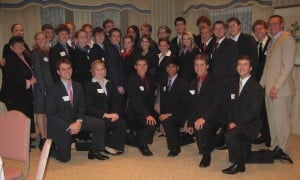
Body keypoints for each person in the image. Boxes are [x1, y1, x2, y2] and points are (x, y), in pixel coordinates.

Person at [46, 59, 108, 162]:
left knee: (99, 123)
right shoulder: (53, 90)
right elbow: (51, 114)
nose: (67, 71)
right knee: (65, 158)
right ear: (58, 72)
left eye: (69, 68)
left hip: (76, 120)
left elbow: (82, 106)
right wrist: (69, 126)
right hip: (61, 124)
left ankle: (94, 151)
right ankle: (49, 149)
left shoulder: (78, 86)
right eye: (63, 69)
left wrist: (79, 122)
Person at [260, 15, 296, 162]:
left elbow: (287, 66)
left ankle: (282, 149)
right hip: (270, 89)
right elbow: (267, 68)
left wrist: (276, 87)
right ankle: (274, 147)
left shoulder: (287, 39)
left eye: (275, 24)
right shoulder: (273, 41)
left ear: (282, 24)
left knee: (282, 122)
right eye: (270, 24)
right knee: (273, 121)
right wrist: (259, 86)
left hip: (280, 90)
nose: (272, 26)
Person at [186, 54, 222, 168]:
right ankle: (218, 139)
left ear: (207, 66)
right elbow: (191, 106)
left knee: (202, 134)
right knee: (199, 138)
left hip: (214, 116)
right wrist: (191, 123)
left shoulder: (215, 81)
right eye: (196, 65)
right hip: (199, 116)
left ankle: (207, 156)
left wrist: (203, 119)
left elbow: (215, 105)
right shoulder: (192, 83)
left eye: (202, 65)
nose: (199, 68)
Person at [85, 60, 126, 155]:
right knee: (114, 125)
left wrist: (115, 113)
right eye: (97, 69)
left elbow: (114, 102)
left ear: (105, 70)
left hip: (109, 115)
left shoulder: (109, 83)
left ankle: (111, 146)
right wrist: (105, 115)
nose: (100, 72)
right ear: (92, 71)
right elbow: (88, 106)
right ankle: (107, 145)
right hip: (96, 116)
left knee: (121, 122)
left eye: (102, 69)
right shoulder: (89, 85)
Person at [0, 36, 36, 133]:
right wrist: (29, 82)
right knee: (19, 122)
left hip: (23, 94)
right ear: (11, 47)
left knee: (25, 120)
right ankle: (20, 145)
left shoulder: (23, 56)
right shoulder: (10, 59)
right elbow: (12, 78)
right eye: (17, 45)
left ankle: (25, 142)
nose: (20, 47)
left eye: (22, 44)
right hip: (15, 96)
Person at [126, 58, 157, 156]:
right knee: (151, 123)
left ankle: (135, 138)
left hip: (146, 110)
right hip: (135, 113)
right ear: (135, 67)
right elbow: (136, 102)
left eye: (144, 65)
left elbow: (151, 98)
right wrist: (147, 115)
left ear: (147, 67)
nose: (142, 67)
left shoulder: (150, 79)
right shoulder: (132, 80)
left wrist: (155, 112)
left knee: (159, 119)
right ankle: (142, 145)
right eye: (139, 65)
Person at [159, 58, 189, 156]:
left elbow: (184, 104)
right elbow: (163, 102)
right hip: (169, 113)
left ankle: (175, 147)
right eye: (168, 66)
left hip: (180, 113)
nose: (170, 69)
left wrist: (168, 115)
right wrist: (161, 119)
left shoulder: (184, 83)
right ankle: (186, 138)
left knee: (168, 121)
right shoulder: (164, 82)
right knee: (165, 120)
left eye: (173, 66)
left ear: (177, 68)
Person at [31, 32, 54, 150]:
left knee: (46, 113)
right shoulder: (36, 53)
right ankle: (43, 137)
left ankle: (47, 136)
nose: (41, 40)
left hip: (49, 88)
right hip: (41, 88)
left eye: (43, 38)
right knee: (40, 113)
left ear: (46, 39)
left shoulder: (46, 52)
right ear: (35, 40)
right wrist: (43, 89)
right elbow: (38, 73)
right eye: (38, 38)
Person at [252, 19, 272, 146]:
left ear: (266, 29)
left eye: (261, 28)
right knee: (261, 111)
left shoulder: (271, 43)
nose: (258, 31)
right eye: (256, 29)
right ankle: (264, 135)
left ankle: (270, 138)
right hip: (257, 84)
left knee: (268, 112)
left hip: (268, 83)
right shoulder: (256, 45)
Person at [105, 27, 125, 116]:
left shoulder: (117, 47)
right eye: (114, 36)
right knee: (117, 107)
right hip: (115, 83)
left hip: (116, 82)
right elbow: (112, 68)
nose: (116, 38)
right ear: (109, 38)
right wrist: (118, 85)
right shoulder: (111, 49)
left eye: (118, 36)